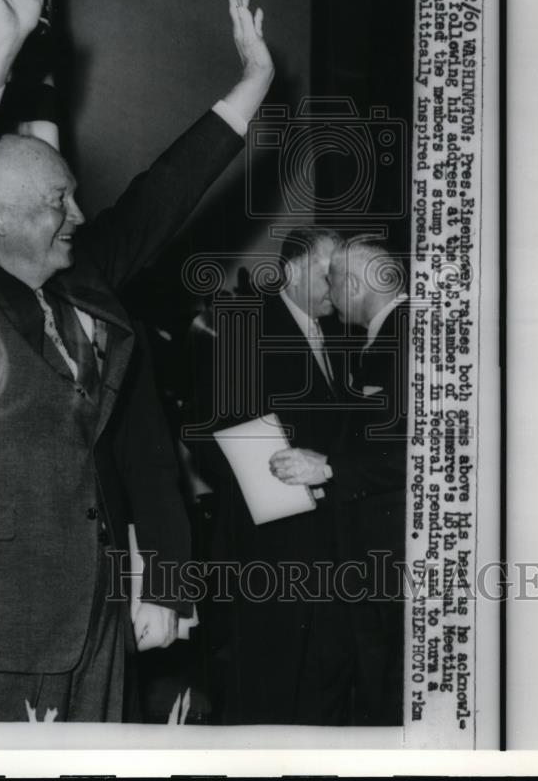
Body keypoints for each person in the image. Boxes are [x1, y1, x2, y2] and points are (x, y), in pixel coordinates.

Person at [0, 0, 274, 722]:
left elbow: (158, 199)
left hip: (92, 626)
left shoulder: (82, 279)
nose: (78, 216)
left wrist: (250, 90)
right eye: (57, 201)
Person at [190, 227, 356, 725]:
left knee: (317, 689)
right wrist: (284, 475)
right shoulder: (245, 326)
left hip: (329, 543)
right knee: (264, 691)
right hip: (269, 546)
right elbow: (204, 429)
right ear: (293, 270)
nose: (340, 287)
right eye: (331, 274)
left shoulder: (342, 334)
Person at [272, 233, 409, 724]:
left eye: (334, 280)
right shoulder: (387, 333)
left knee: (390, 694)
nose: (329, 292)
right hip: (373, 554)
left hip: (391, 556)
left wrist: (329, 467)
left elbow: (420, 452)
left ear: (353, 284)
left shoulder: (407, 334)